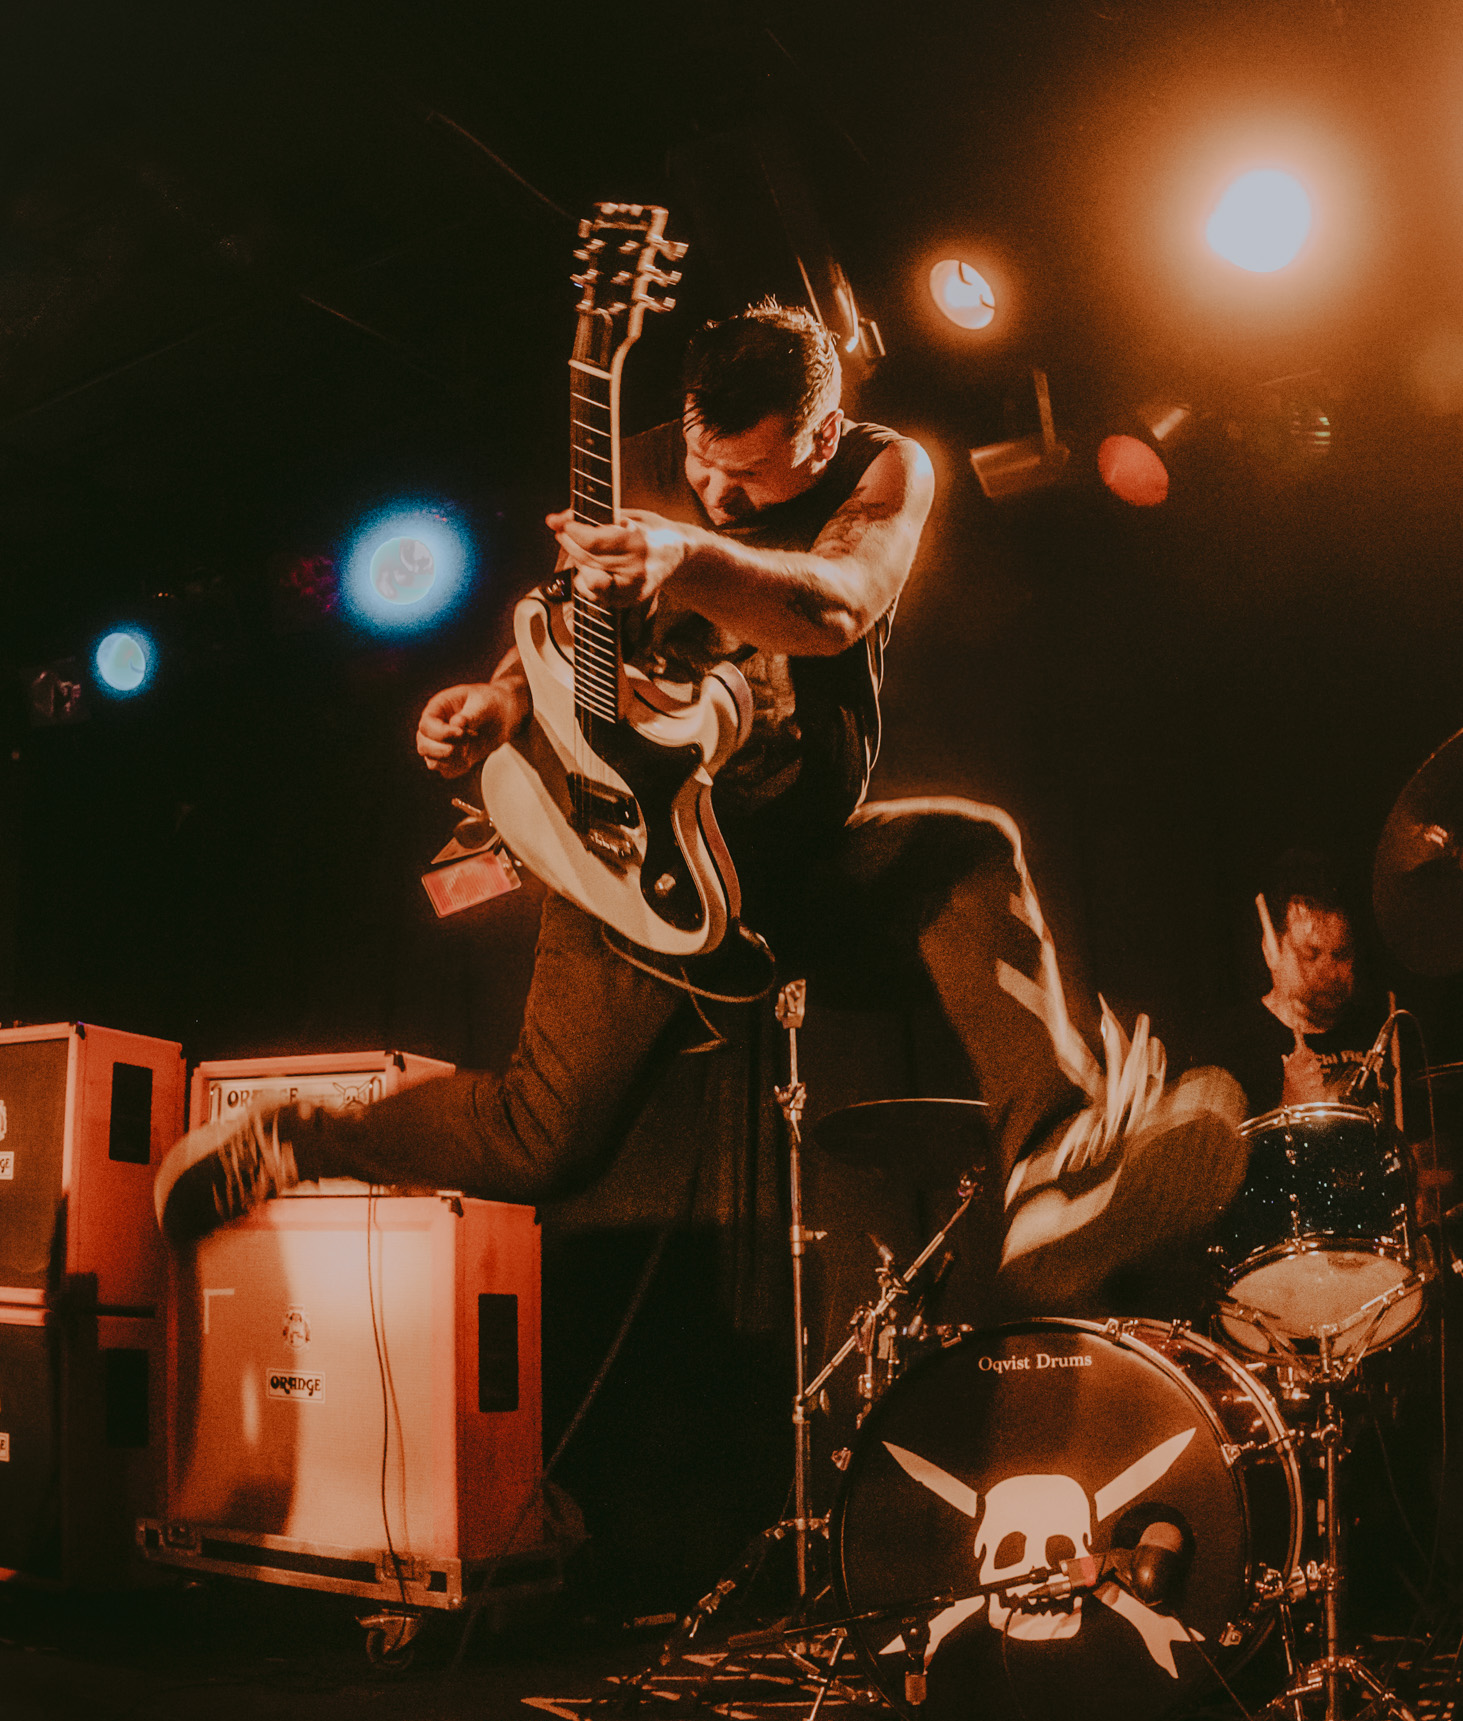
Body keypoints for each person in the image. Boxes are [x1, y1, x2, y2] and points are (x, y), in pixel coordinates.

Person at [156, 300, 1246, 1306]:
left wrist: (682, 552)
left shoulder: (879, 467)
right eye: (701, 465)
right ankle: (300, 1138)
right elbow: (556, 624)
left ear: (820, 436)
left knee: (964, 854)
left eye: (750, 476)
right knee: (541, 1147)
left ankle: (1051, 1172)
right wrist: (495, 703)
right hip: (633, 863)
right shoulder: (633, 469)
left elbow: (836, 606)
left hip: (786, 850)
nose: (717, 493)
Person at [1193, 851, 1390, 1118]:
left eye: (1341, 954)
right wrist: (1288, 1108)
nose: (1329, 971)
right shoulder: (1234, 1043)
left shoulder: (1378, 1031)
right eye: (1310, 955)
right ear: (1270, 949)